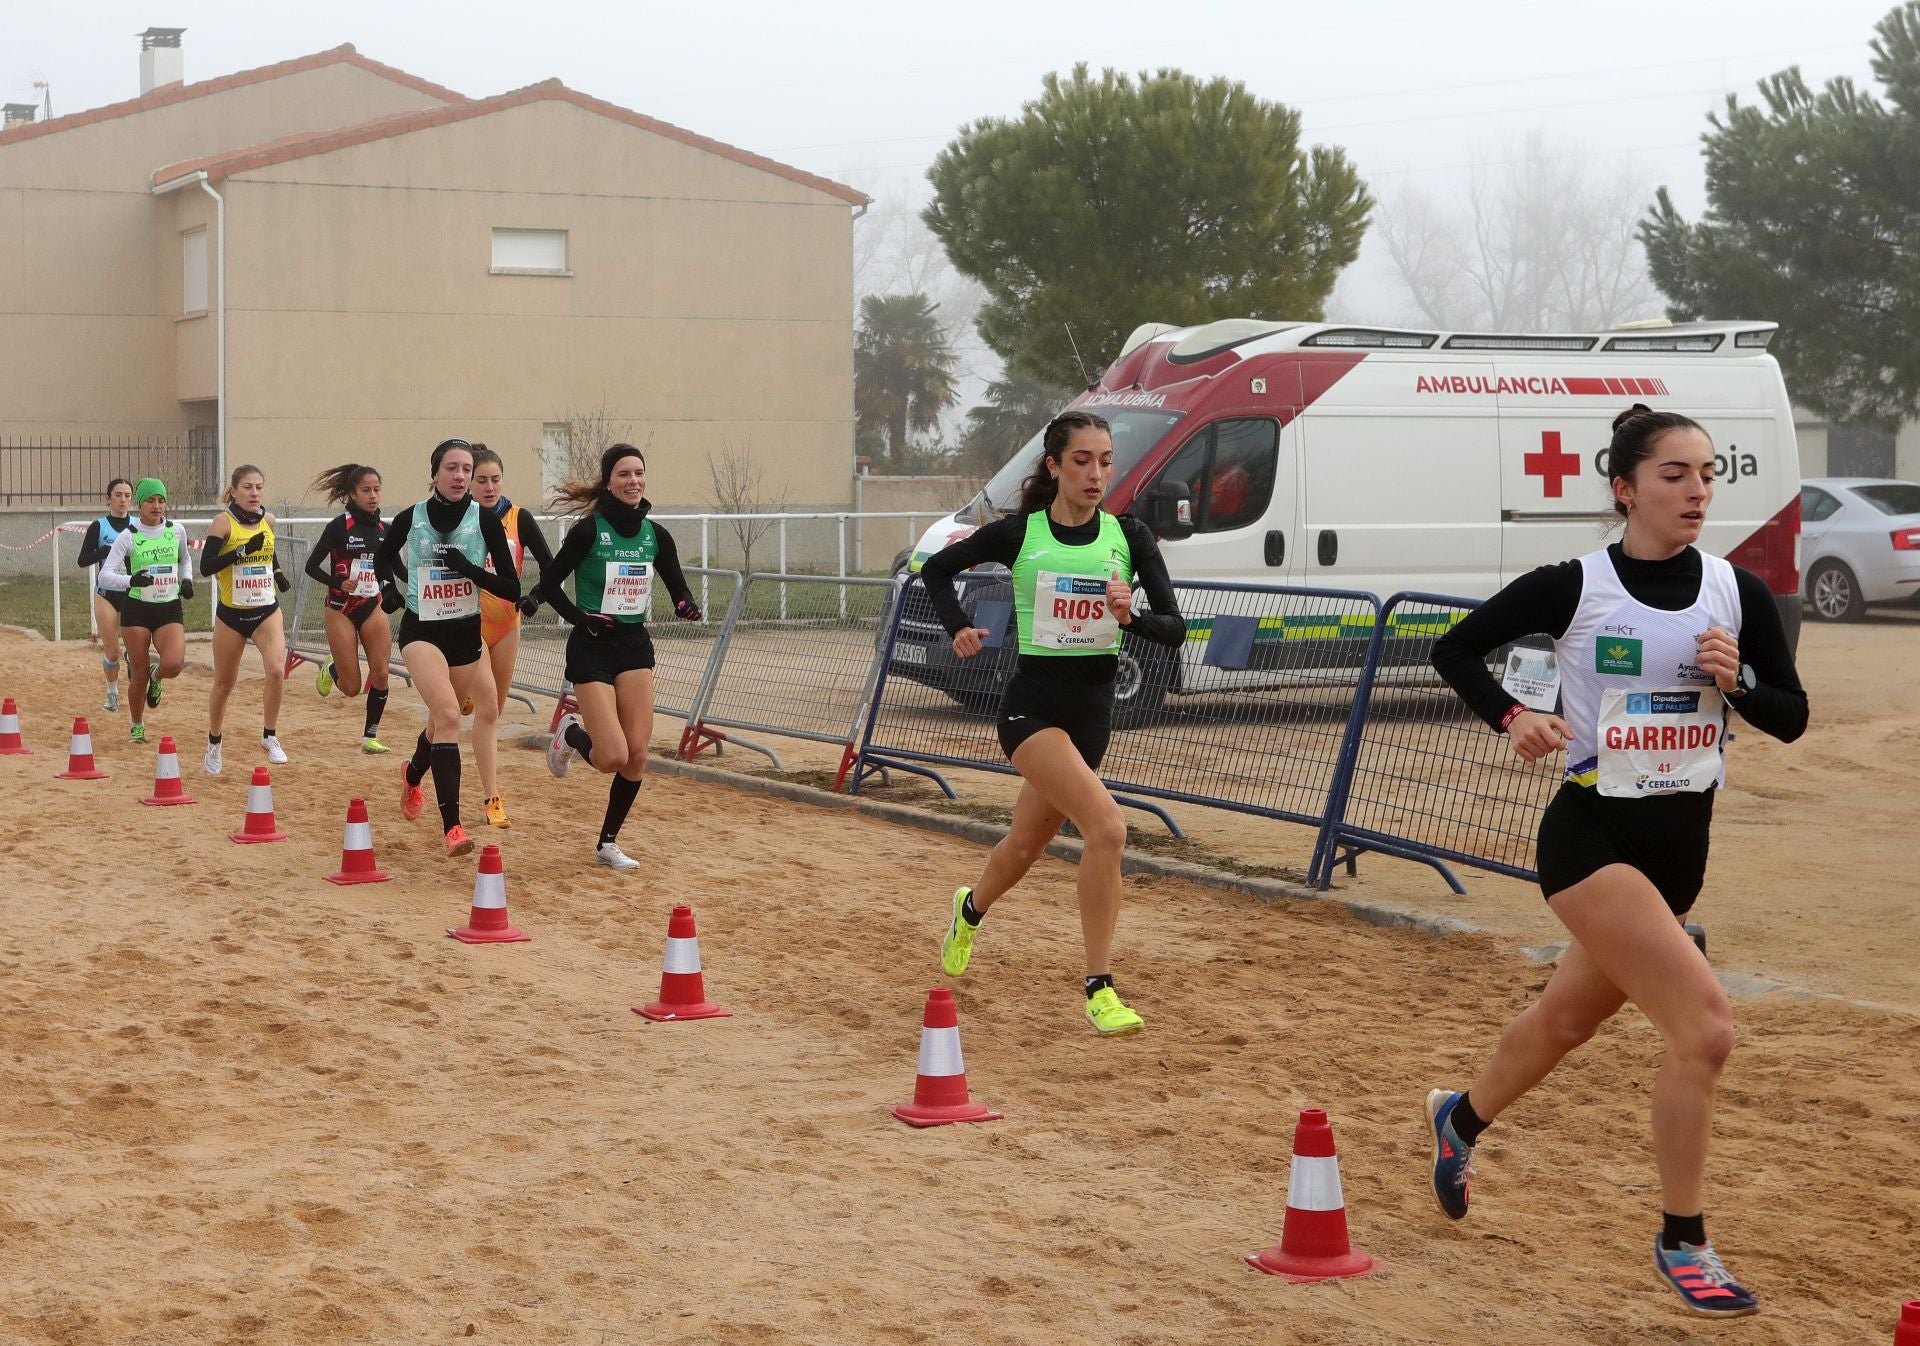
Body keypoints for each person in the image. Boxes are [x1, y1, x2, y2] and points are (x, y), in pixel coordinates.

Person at [1425, 404, 1808, 1318]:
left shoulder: (1736, 592)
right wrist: (1516, 718)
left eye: (1708, 474)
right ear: (1625, 488)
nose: (1697, 491)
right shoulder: (1577, 585)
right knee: (1705, 1028)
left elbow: (1791, 716)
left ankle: (1459, 1118)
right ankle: (1684, 1241)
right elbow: (1455, 648)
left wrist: (1739, 681)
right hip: (1591, 839)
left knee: (1564, 1022)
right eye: (1674, 475)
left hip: (1680, 854)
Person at [920, 411, 1185, 1035]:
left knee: (1022, 848)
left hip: (1092, 719)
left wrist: (1131, 619)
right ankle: (1100, 988)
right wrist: (959, 627)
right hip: (1030, 710)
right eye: (1083, 461)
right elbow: (933, 571)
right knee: (1108, 828)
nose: (1096, 473)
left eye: (1105, 460)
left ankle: (970, 908)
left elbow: (1175, 631)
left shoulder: (1130, 537)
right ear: (1055, 467)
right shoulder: (1020, 534)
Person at [538, 443, 701, 871]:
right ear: (609, 481)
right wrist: (580, 617)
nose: (633, 481)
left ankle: (607, 843)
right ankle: (570, 734)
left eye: (639, 473)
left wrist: (685, 604)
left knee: (637, 755)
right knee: (610, 756)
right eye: (624, 474)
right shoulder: (589, 532)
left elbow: (676, 585)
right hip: (592, 646)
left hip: (633, 647)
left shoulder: (656, 536)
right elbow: (550, 583)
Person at [372, 438, 521, 858]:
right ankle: (453, 828)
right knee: (451, 717)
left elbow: (511, 587)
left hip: (465, 638)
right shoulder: (411, 518)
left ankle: (413, 773)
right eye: (451, 468)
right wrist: (390, 588)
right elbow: (382, 558)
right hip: (421, 632)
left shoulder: (485, 521)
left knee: (440, 725)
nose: (460, 476)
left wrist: (470, 570)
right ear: (435, 473)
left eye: (466, 470)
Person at [469, 445, 553, 828]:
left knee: (494, 710)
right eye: (481, 480)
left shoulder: (520, 519)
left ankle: (414, 768)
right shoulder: (461, 520)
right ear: (468, 482)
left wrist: (534, 597)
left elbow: (551, 567)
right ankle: (492, 798)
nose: (489, 487)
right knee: (483, 710)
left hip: (507, 623)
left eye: (495, 479)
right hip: (467, 622)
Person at [199, 464, 292, 772]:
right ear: (235, 491)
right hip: (232, 615)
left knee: (277, 671)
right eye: (248, 487)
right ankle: (214, 742)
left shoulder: (269, 520)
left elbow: (267, 548)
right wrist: (239, 554)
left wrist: (277, 573)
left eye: (259, 487)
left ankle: (269, 736)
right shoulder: (223, 523)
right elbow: (206, 566)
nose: (255, 493)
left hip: (266, 609)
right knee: (225, 683)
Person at [94, 478, 195, 744]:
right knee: (138, 671)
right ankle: (137, 725)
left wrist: (187, 580)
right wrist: (131, 581)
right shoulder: (129, 535)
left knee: (173, 664)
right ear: (140, 504)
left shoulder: (176, 531)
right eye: (150, 500)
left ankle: (157, 675)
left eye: (161, 500)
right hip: (137, 608)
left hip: (168, 608)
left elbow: (185, 559)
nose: (157, 505)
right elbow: (105, 575)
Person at [305, 463, 395, 754]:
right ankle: (331, 669)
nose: (372, 495)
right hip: (340, 607)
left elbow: (397, 568)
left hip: (371, 604)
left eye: (376, 490)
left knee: (381, 672)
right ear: (353, 494)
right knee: (353, 687)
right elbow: (310, 566)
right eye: (366, 490)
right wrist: (336, 581)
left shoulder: (386, 529)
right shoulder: (338, 527)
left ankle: (370, 735)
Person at [75, 478, 134, 712]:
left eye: (127, 495)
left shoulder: (139, 525)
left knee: (136, 649)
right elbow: (82, 560)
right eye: (118, 495)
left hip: (132, 592)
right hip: (106, 594)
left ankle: (133, 663)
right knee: (112, 651)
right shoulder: (99, 527)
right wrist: (104, 551)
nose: (123, 500)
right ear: (108, 498)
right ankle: (112, 694)